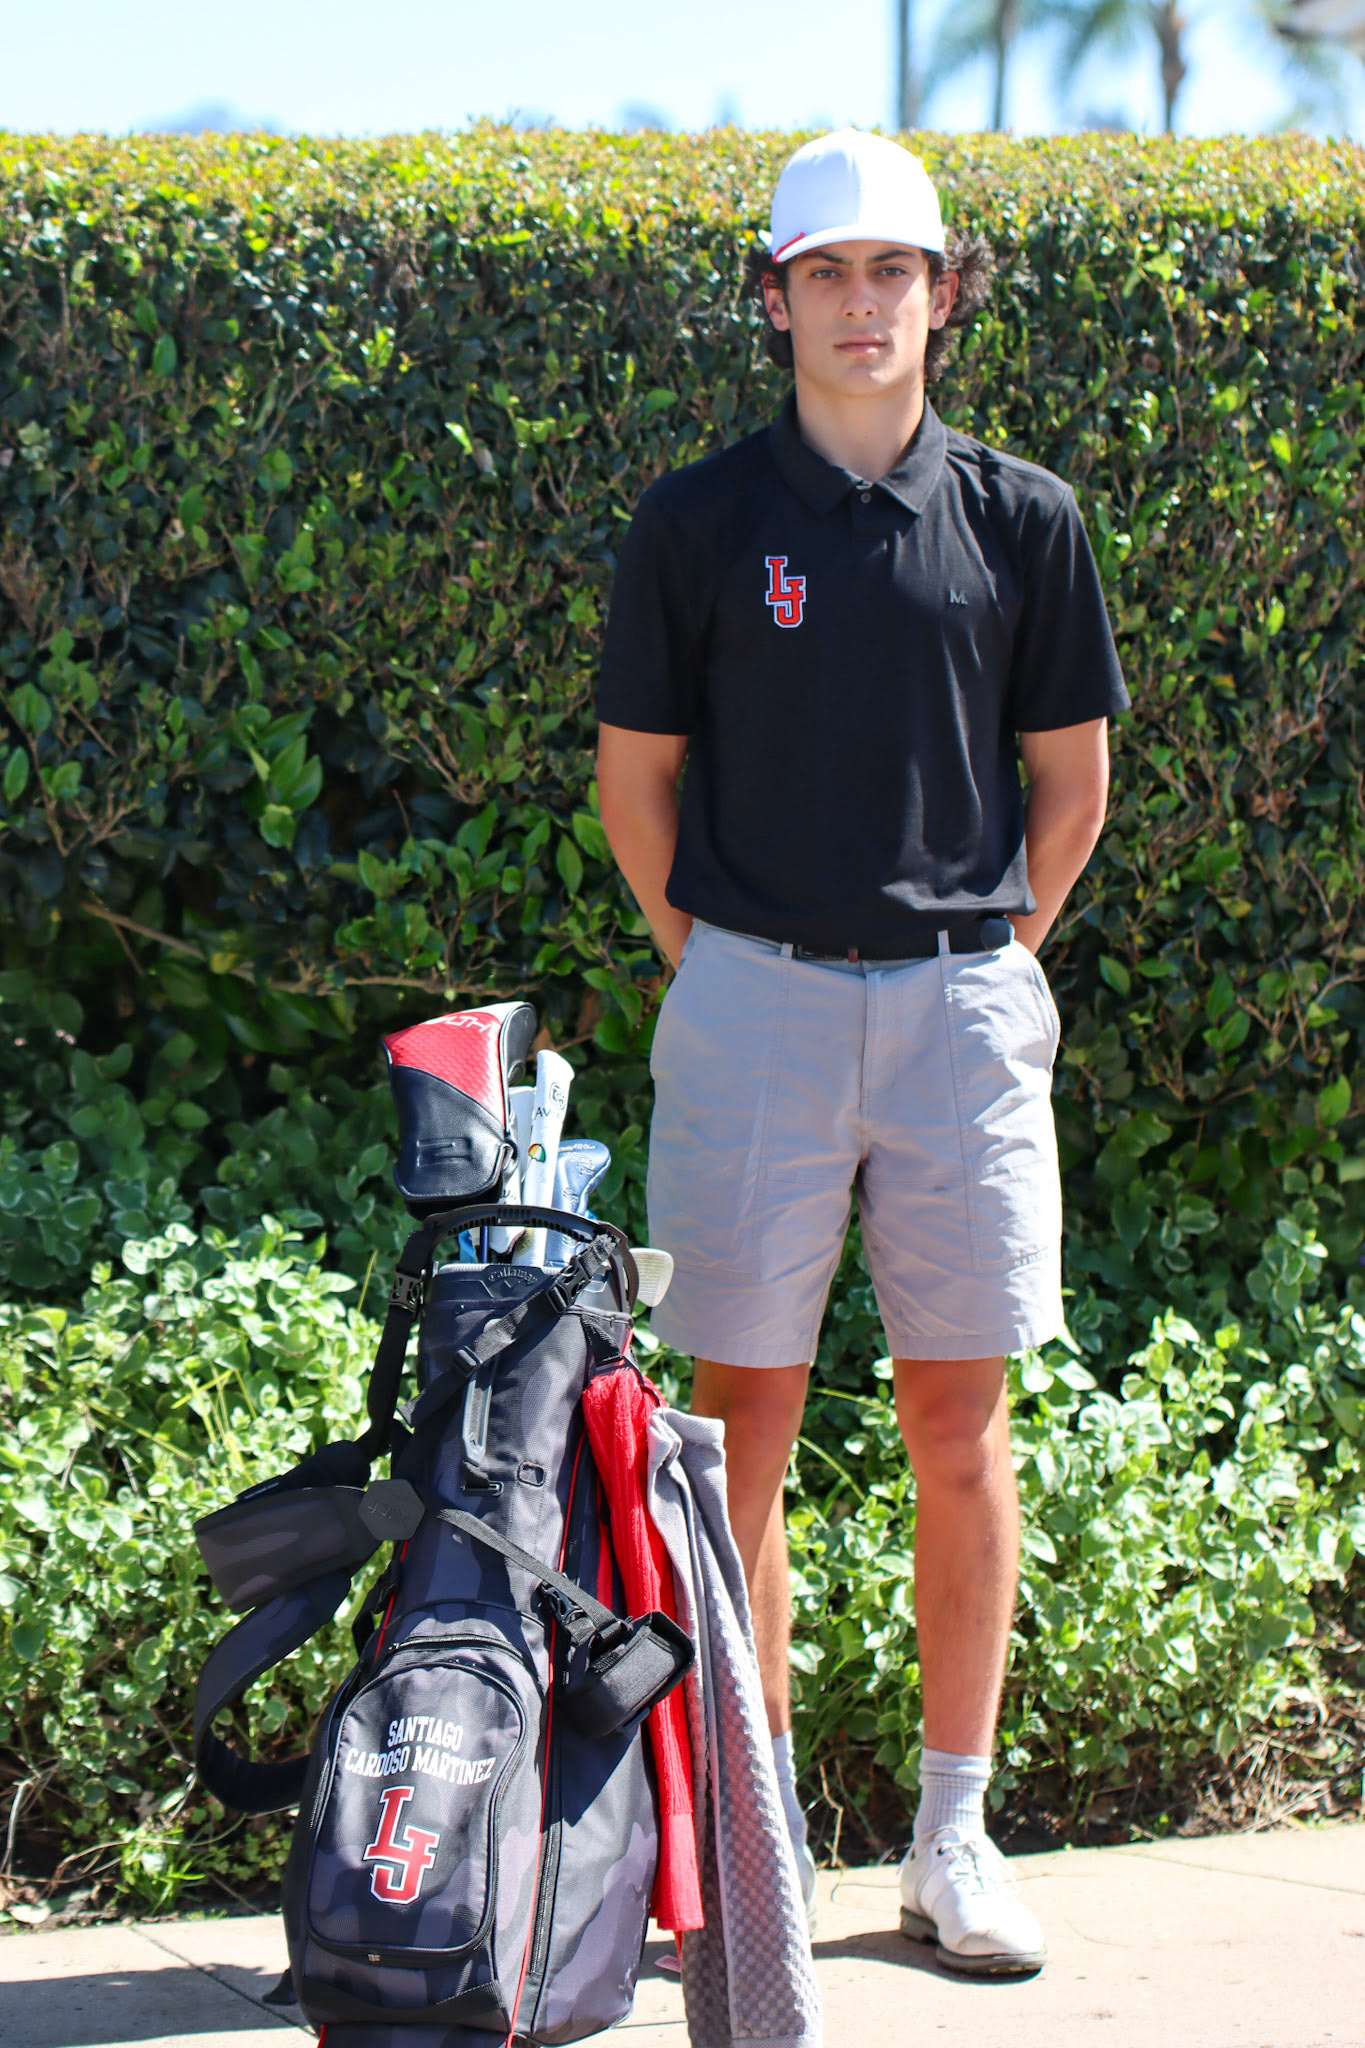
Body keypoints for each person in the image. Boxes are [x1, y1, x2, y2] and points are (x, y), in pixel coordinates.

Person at [595, 127, 1128, 1977]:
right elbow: (637, 785)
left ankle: (950, 1839)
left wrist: (978, 969)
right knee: (733, 1429)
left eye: (889, 268)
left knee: (956, 1428)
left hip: (961, 1010)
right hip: (752, 1003)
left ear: (941, 293)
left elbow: (1070, 787)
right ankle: (749, 1846)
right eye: (822, 270)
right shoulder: (693, 522)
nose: (858, 302)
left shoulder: (1023, 519)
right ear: (773, 299)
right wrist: (729, 966)